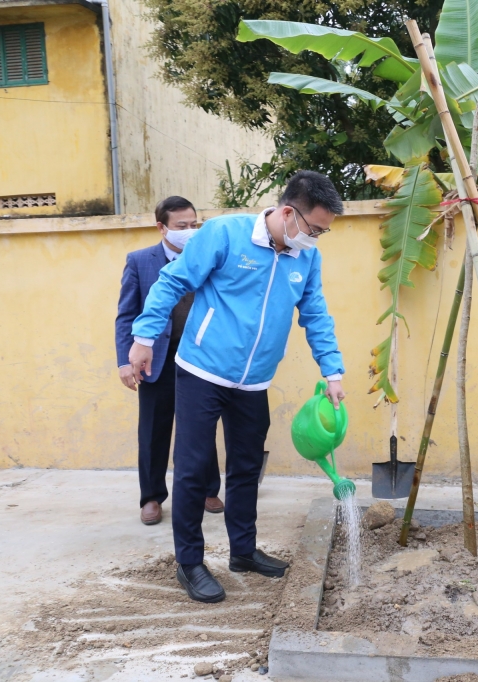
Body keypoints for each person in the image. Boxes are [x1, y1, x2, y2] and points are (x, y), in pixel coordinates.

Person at [127, 171, 346, 603]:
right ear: (288, 213)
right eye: (315, 228)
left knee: (246, 468)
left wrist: (332, 371)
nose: (316, 238)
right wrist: (143, 338)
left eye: (323, 232)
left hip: (254, 381)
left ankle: (243, 552)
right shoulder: (225, 234)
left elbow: (315, 313)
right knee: (193, 470)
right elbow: (172, 282)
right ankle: (190, 563)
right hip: (202, 372)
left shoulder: (306, 258)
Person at [116, 196, 224, 526]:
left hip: (199, 358)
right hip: (155, 360)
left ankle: (207, 489)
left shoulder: (210, 258)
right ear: (162, 227)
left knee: (200, 427)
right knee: (153, 430)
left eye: (195, 225)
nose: (190, 231)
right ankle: (151, 497)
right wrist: (125, 360)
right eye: (182, 226)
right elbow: (126, 316)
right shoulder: (139, 261)